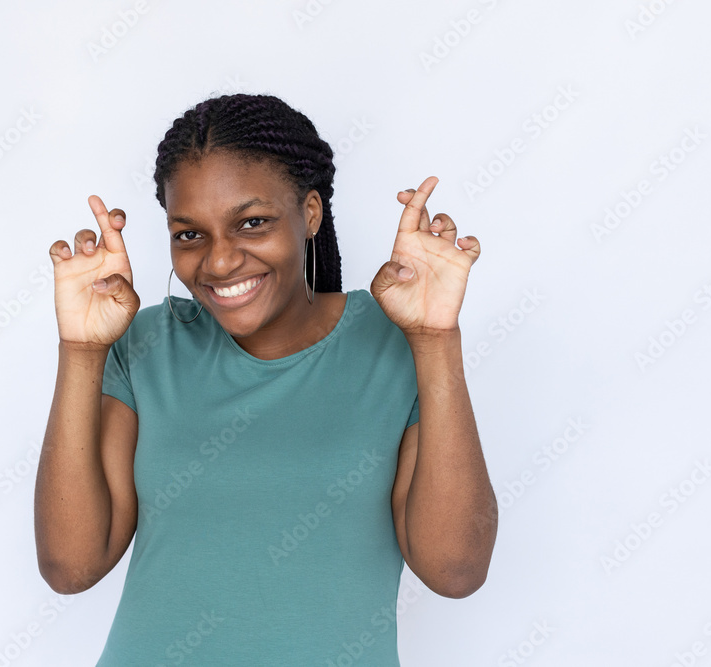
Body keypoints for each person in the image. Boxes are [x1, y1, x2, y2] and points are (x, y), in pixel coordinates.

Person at [34, 93, 498, 665]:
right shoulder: (144, 343)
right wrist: (81, 351)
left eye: (252, 223)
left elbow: (456, 571)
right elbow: (70, 567)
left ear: (310, 213)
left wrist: (435, 341)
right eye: (189, 234)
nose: (220, 261)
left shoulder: (398, 341)